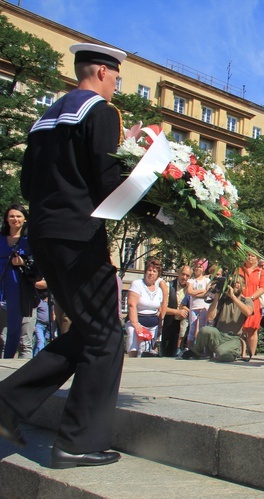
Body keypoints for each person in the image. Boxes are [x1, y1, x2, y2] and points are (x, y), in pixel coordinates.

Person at [0, 43, 127, 468]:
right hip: (79, 237)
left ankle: (7, 404)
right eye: (117, 78)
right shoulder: (101, 112)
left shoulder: (43, 119)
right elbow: (108, 178)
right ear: (103, 72)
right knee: (108, 335)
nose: (117, 87)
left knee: (89, 331)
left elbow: (28, 181)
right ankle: (77, 441)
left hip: (44, 235)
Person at [0, 204, 42, 359]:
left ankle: (8, 360)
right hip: (1, 282)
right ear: (6, 219)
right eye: (11, 216)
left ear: (25, 219)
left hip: (16, 285)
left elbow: (37, 266)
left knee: (14, 327)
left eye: (18, 216)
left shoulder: (29, 241)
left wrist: (23, 263)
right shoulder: (1, 238)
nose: (15, 219)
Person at [182, 275, 253, 362]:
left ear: (244, 286)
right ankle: (196, 351)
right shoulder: (223, 300)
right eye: (233, 283)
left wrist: (233, 297)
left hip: (233, 338)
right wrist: (216, 298)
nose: (235, 285)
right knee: (206, 330)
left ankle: (234, 352)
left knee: (222, 354)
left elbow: (248, 312)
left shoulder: (247, 301)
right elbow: (210, 317)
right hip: (219, 335)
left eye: (238, 283)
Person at [124, 259, 165, 357]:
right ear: (145, 272)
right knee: (134, 350)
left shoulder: (159, 290)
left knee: (147, 353)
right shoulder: (137, 284)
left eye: (154, 271)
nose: (151, 273)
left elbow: (159, 309)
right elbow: (131, 305)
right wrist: (136, 325)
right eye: (149, 270)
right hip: (136, 324)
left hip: (152, 326)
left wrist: (159, 327)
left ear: (158, 275)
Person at [238, 253, 264, 358]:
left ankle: (252, 354)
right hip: (240, 301)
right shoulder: (239, 269)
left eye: (253, 256)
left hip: (253, 302)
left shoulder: (260, 272)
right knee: (241, 329)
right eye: (248, 255)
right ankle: (242, 353)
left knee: (252, 329)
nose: (249, 257)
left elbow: (263, 287)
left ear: (257, 259)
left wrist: (251, 298)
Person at [162, 265, 191, 357]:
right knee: (167, 354)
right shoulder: (168, 286)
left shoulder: (191, 288)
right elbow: (162, 308)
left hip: (185, 326)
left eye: (187, 275)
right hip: (170, 324)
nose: (184, 277)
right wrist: (178, 312)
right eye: (183, 274)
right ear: (178, 274)